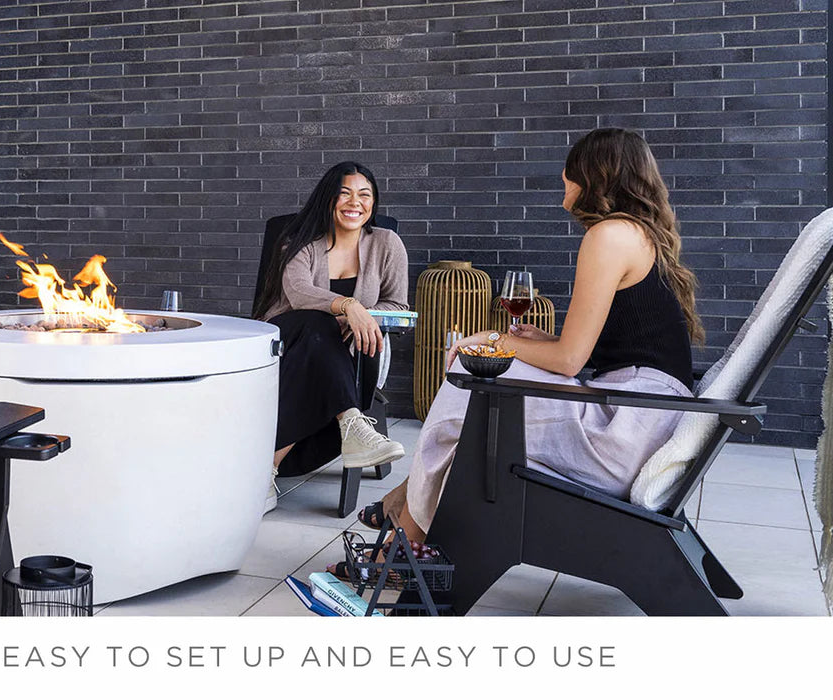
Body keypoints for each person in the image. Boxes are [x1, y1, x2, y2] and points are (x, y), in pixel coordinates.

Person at [337, 127, 703, 568]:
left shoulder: (609, 235)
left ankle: (401, 545)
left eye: (570, 170)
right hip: (640, 415)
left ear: (593, 173)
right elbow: (612, 348)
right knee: (479, 414)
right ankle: (406, 513)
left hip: (624, 432)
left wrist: (496, 338)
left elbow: (570, 362)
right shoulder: (639, 234)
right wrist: (541, 340)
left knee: (472, 381)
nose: (563, 180)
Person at [254, 161, 411, 512]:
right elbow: (297, 293)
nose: (355, 202)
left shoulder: (387, 244)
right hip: (287, 342)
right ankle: (352, 423)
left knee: (327, 333)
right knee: (318, 325)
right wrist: (346, 307)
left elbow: (397, 304)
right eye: (345, 193)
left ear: (373, 203)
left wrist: (358, 316)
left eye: (364, 195)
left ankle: (264, 473)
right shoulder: (300, 242)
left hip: (353, 349)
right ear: (328, 199)